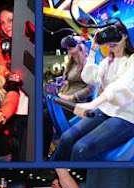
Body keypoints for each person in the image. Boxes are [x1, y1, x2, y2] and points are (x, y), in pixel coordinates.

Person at [51, 21, 134, 161]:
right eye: (106, 36)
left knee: (80, 148)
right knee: (66, 137)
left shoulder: (131, 60)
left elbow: (119, 86)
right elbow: (88, 77)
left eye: (113, 35)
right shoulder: (107, 62)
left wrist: (92, 104)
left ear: (125, 36)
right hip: (105, 110)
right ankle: (56, 173)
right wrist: (93, 49)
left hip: (125, 117)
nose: (110, 41)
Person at [56, 35, 93, 104]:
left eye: (71, 45)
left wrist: (72, 97)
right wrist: (60, 92)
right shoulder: (71, 63)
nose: (68, 48)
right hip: (63, 98)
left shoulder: (88, 64)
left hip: (74, 103)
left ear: (80, 46)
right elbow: (66, 82)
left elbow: (91, 88)